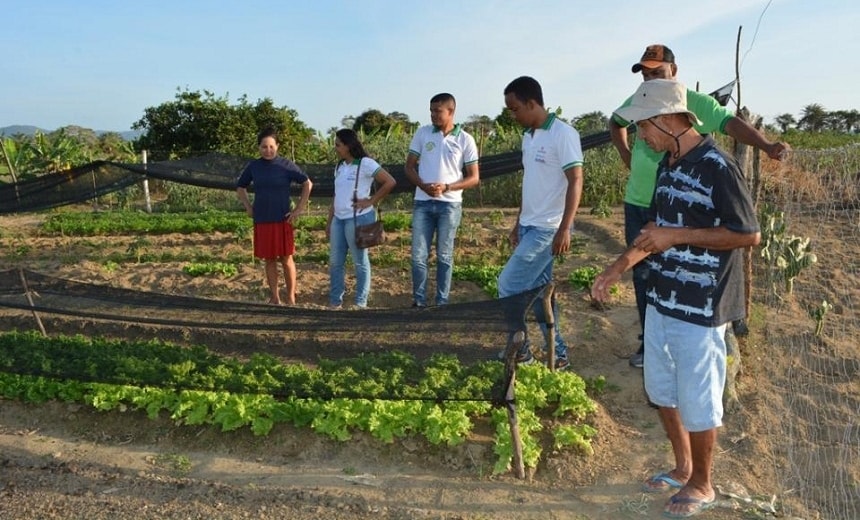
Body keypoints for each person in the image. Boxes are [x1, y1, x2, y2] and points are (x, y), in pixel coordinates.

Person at [592, 79, 761, 517]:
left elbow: (748, 234)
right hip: (662, 298)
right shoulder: (669, 165)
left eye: (644, 127)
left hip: (702, 305)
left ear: (667, 120)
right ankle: (684, 466)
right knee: (661, 387)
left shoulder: (718, 166)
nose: (641, 137)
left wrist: (678, 236)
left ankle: (703, 483)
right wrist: (615, 269)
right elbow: (654, 234)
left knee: (700, 396)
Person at [609, 44, 790, 368]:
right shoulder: (642, 103)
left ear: (674, 72)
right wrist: (627, 157)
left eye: (657, 73)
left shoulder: (697, 117)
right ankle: (652, 343)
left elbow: (730, 124)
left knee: (685, 269)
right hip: (641, 199)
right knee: (645, 275)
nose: (651, 80)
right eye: (646, 74)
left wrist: (765, 145)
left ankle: (689, 340)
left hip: (686, 208)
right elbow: (616, 121)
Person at [498, 76, 584, 370]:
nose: (512, 115)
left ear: (532, 103)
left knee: (508, 284)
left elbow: (576, 181)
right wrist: (517, 223)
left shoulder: (563, 134)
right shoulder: (529, 137)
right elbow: (530, 182)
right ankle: (557, 352)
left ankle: (519, 347)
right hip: (529, 226)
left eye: (515, 109)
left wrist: (564, 228)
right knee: (540, 295)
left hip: (549, 228)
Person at [405, 93, 480, 307]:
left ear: (451, 111)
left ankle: (441, 302)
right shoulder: (422, 134)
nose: (433, 115)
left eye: (437, 111)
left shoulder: (465, 139)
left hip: (450, 205)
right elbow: (409, 167)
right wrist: (423, 186)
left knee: (444, 256)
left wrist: (448, 187)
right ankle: (418, 301)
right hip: (423, 202)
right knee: (418, 256)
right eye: (431, 111)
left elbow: (474, 177)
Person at [236, 127, 313, 305]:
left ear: (277, 146)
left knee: (286, 258)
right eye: (264, 147)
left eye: (271, 146)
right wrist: (248, 206)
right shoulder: (254, 167)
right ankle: (275, 297)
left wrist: (299, 209)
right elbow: (241, 187)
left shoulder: (286, 165)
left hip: (282, 218)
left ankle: (291, 297)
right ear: (259, 148)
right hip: (262, 219)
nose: (268, 150)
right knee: (269, 259)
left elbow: (307, 183)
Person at [326, 129, 396, 309]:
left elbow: (389, 181)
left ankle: (360, 302)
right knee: (335, 261)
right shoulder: (340, 166)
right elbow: (336, 195)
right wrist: (329, 221)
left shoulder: (365, 163)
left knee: (359, 260)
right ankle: (335, 301)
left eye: (338, 145)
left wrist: (372, 200)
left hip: (356, 218)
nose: (336, 148)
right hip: (339, 219)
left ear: (348, 145)